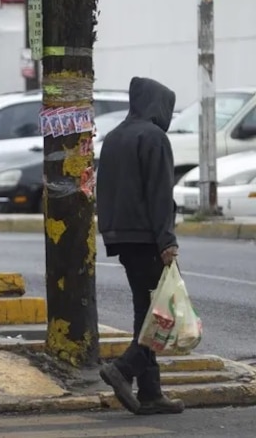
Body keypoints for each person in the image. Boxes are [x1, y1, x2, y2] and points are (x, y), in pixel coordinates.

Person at [96, 76, 184, 416]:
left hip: (123, 237)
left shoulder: (115, 136)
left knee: (146, 314)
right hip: (149, 238)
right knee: (161, 316)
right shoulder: (154, 137)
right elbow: (160, 195)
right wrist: (167, 242)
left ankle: (150, 392)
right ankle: (123, 368)